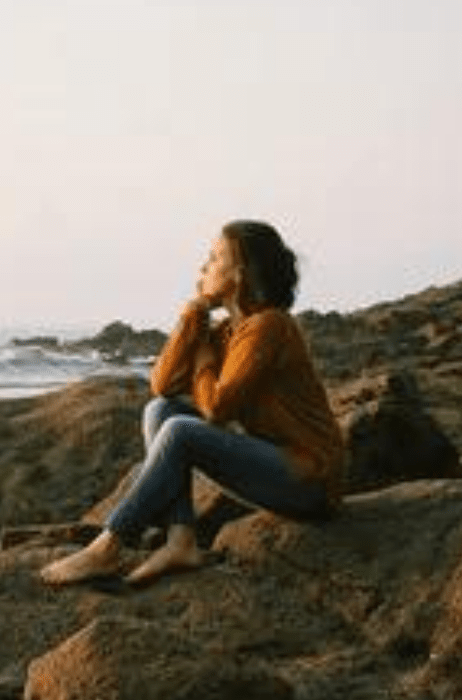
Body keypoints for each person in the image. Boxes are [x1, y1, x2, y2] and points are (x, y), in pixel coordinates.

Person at [40, 220, 345, 587]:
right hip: (273, 462)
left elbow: (216, 408)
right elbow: (162, 385)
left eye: (214, 258)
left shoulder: (270, 326)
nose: (203, 268)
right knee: (160, 411)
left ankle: (109, 546)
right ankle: (180, 538)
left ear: (240, 273)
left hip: (310, 478)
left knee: (181, 431)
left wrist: (200, 350)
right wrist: (193, 317)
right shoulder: (226, 332)